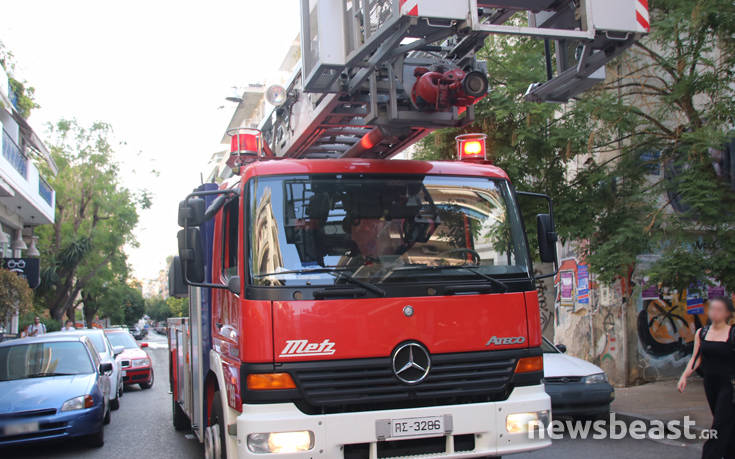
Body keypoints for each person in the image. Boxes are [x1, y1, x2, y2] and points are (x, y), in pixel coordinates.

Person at [678, 296, 735, 458]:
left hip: (729, 385)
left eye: (719, 309)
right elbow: (696, 359)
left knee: (719, 425)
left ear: (727, 313)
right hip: (710, 384)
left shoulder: (732, 333)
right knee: (726, 423)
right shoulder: (701, 333)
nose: (714, 312)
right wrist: (684, 376)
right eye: (712, 309)